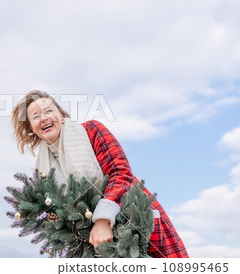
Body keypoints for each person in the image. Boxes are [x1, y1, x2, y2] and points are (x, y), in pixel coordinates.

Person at [11, 90, 189, 258]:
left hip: (135, 220)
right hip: (92, 245)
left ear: (60, 114)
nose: (44, 118)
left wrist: (103, 219)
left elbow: (121, 173)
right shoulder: (43, 167)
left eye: (49, 111)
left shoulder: (90, 131)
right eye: (35, 116)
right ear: (31, 128)